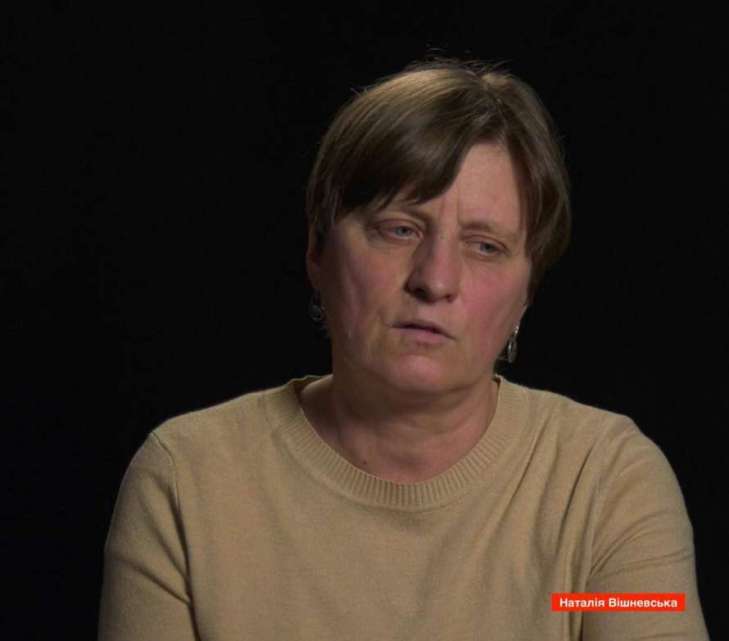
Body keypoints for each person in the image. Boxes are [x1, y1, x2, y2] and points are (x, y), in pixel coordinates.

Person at [98, 59, 709, 640]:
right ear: (317, 250)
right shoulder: (187, 482)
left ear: (528, 291)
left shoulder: (606, 483)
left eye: (485, 246)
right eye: (399, 229)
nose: (435, 280)